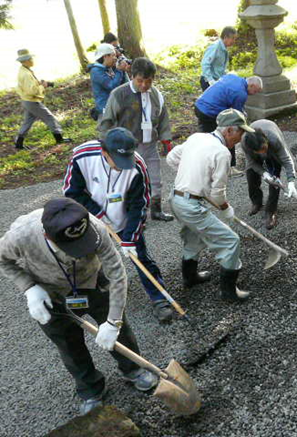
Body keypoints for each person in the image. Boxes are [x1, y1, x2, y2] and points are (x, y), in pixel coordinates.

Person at [0, 198, 158, 415]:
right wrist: (29, 288)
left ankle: (133, 368)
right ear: (47, 236)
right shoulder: (21, 236)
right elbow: (3, 260)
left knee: (119, 331)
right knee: (68, 343)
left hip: (92, 280)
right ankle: (90, 388)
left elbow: (117, 275)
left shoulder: (96, 227)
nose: (81, 252)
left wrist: (113, 321)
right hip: (49, 293)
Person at [63, 127, 174, 322]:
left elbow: (139, 206)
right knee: (86, 258)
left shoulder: (137, 167)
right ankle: (96, 293)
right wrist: (97, 215)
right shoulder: (82, 157)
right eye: (118, 162)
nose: (123, 167)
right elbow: (72, 193)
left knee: (140, 256)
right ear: (104, 152)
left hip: (123, 218)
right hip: (89, 219)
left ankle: (160, 298)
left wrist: (130, 238)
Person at [167, 109, 254, 301]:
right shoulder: (222, 153)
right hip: (191, 205)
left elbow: (171, 158)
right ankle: (229, 292)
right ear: (229, 130)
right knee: (231, 241)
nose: (240, 139)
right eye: (240, 132)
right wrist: (225, 208)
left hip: (176, 199)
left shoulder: (197, 137)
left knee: (193, 237)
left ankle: (190, 278)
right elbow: (217, 193)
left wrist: (191, 178)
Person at [98, 57, 174, 222]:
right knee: (129, 183)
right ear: (132, 76)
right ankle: (134, 217)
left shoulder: (156, 95)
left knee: (155, 179)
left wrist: (166, 139)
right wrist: (107, 146)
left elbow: (163, 119)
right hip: (128, 148)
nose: (144, 85)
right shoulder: (119, 95)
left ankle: (156, 210)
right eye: (140, 81)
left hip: (150, 145)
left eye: (148, 81)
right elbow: (107, 121)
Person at [194, 74, 263, 175]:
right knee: (229, 135)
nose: (254, 94)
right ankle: (227, 168)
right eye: (255, 91)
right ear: (251, 85)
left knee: (205, 137)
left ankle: (203, 164)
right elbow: (236, 117)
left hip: (199, 106)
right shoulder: (241, 93)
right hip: (209, 112)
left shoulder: (232, 77)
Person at [241, 119, 297, 230]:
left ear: (266, 140)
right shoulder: (245, 143)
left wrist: (291, 181)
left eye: (264, 149)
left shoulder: (273, 139)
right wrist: (264, 173)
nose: (263, 153)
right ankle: (256, 203)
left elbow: (286, 159)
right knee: (251, 176)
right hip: (254, 154)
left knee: (275, 180)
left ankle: (271, 211)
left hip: (272, 143)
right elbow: (252, 163)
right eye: (260, 151)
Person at [14, 49, 71, 150]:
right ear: (26, 60)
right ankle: (59, 138)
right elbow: (32, 91)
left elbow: (28, 87)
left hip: (26, 100)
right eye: (31, 58)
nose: (33, 60)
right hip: (32, 101)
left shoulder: (23, 70)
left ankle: (19, 143)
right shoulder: (26, 74)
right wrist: (43, 86)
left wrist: (41, 83)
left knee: (27, 121)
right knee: (49, 117)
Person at [88, 44, 130, 122]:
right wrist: (119, 70)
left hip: (114, 108)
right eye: (113, 55)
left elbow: (122, 85)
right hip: (106, 112)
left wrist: (123, 70)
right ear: (105, 56)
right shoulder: (96, 71)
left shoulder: (107, 68)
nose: (115, 58)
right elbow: (112, 86)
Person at [200, 26, 237, 91]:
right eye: (233, 38)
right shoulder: (215, 47)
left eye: (235, 39)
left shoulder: (224, 49)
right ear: (225, 37)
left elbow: (219, 66)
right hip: (208, 81)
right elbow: (205, 64)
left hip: (217, 80)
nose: (234, 41)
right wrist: (210, 80)